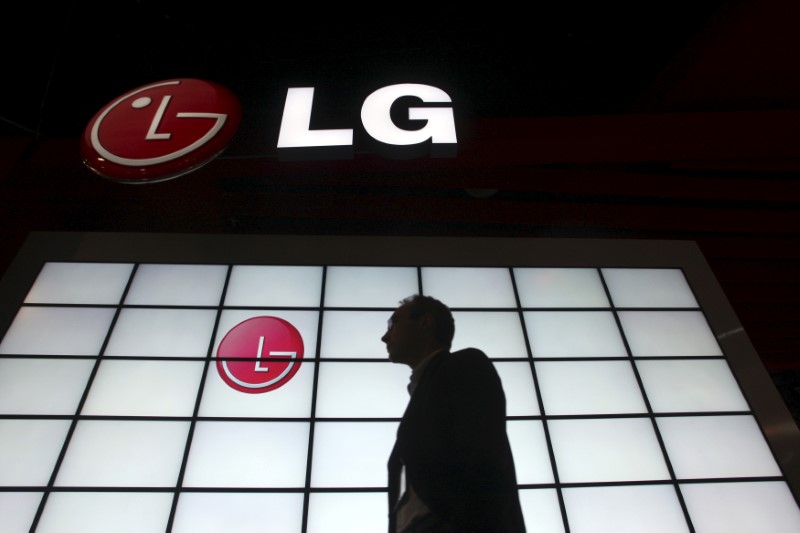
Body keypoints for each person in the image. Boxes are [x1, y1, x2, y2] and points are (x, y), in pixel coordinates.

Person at [383, 294, 526, 532]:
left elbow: (484, 457)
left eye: (393, 323)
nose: (385, 336)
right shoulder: (424, 393)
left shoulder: (465, 366)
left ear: (425, 322)